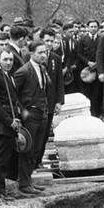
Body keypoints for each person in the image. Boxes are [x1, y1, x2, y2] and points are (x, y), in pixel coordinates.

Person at [14, 40, 50, 195]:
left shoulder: (42, 69)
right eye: (40, 52)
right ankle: (24, 183)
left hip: (41, 113)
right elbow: (14, 95)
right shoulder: (23, 71)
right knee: (27, 149)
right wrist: (23, 112)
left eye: (45, 52)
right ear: (31, 53)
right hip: (30, 113)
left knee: (36, 149)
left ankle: (29, 180)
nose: (43, 55)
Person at [0, 49, 21, 199]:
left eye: (11, 60)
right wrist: (9, 121)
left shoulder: (7, 75)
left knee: (7, 156)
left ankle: (3, 187)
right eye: (5, 59)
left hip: (10, 121)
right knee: (0, 157)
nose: (8, 63)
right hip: (1, 123)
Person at [38, 29, 65, 163]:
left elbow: (59, 81)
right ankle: (33, 161)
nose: (49, 44)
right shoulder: (34, 57)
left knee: (45, 134)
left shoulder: (56, 58)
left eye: (51, 41)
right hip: (37, 102)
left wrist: (59, 101)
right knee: (37, 132)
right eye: (46, 41)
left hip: (51, 101)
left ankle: (39, 160)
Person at [78, 19, 102, 116]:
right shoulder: (82, 39)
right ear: (88, 28)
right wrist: (88, 62)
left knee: (97, 92)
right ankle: (88, 113)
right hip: (86, 69)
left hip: (98, 68)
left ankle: (96, 113)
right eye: (91, 27)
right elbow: (79, 54)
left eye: (95, 27)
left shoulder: (101, 39)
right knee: (86, 92)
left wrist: (97, 63)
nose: (93, 29)